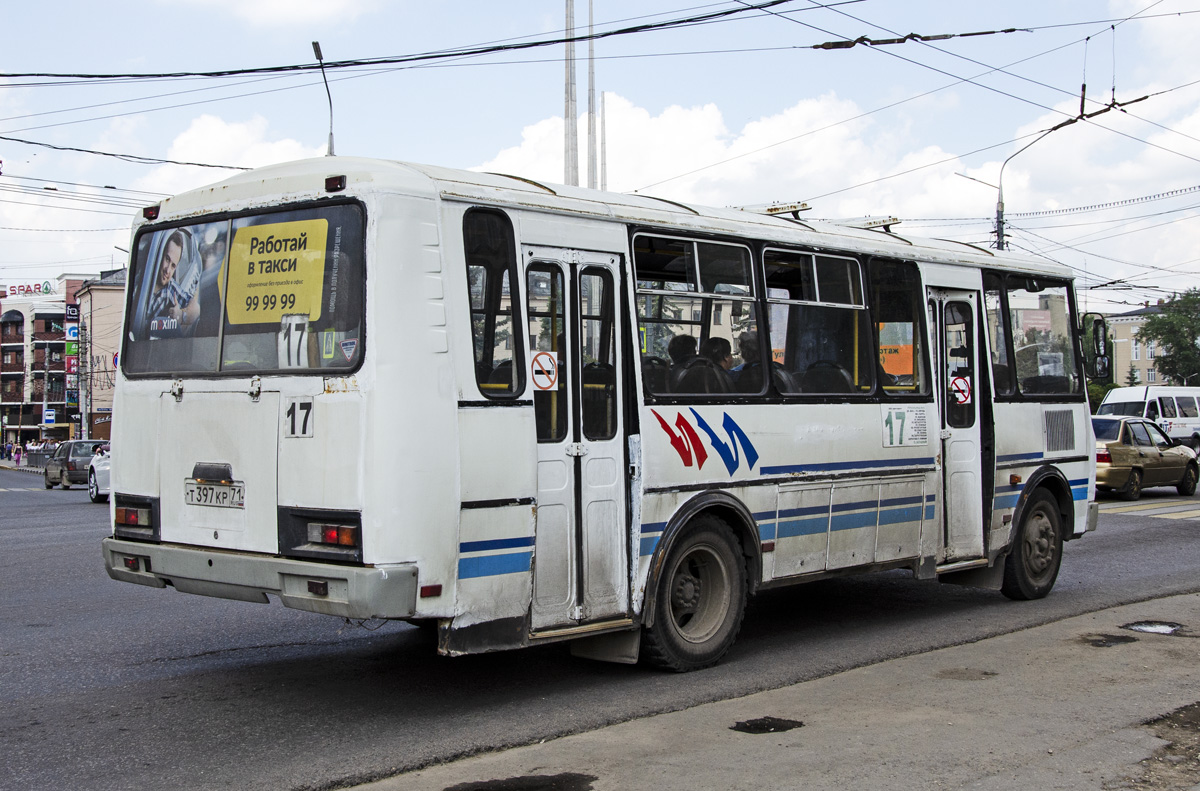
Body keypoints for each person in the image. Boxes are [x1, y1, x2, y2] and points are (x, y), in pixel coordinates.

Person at [145, 230, 199, 333]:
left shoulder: (171, 288)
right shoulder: (142, 282)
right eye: (167, 259)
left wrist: (182, 316)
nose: (168, 270)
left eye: (173, 266)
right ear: (160, 255)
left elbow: (196, 309)